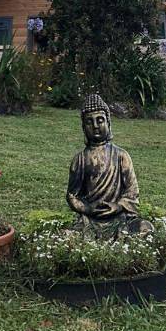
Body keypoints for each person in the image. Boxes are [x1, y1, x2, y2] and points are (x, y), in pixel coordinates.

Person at [66, 93, 153, 235]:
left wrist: (118, 206)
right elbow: (72, 196)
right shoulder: (80, 160)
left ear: (108, 123)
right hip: (90, 220)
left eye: (100, 120)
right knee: (68, 235)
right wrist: (87, 208)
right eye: (89, 122)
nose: (95, 126)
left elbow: (132, 191)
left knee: (145, 227)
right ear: (83, 127)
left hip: (119, 219)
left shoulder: (121, 156)